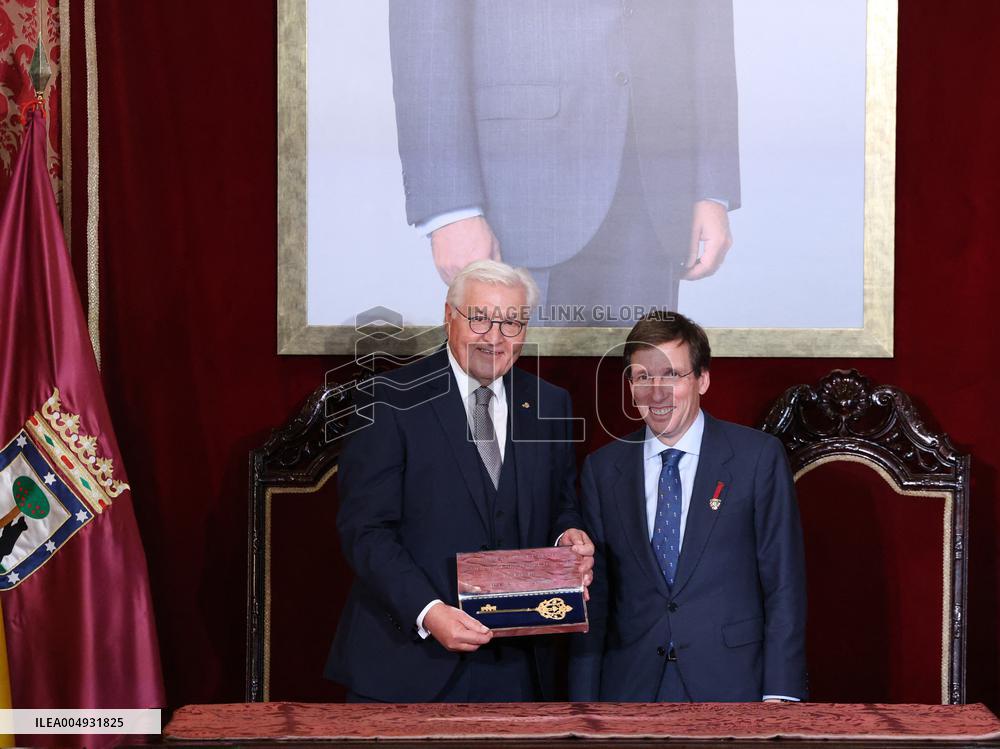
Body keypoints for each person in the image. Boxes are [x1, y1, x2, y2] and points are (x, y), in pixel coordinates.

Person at [325, 259, 594, 702]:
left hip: (520, 668)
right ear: (449, 316)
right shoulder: (389, 400)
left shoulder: (552, 404)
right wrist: (429, 613)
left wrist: (569, 536)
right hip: (410, 663)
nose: (494, 337)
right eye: (480, 318)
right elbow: (365, 530)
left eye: (511, 322)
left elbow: (562, 505)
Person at [387, 1, 740, 322]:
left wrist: (712, 186)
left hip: (653, 179)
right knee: (525, 386)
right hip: (518, 186)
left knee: (638, 387)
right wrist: (449, 206)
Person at [569, 311, 806, 701]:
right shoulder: (602, 469)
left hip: (733, 686)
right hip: (630, 689)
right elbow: (595, 603)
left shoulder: (756, 458)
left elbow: (784, 586)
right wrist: (582, 703)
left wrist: (781, 695)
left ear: (702, 379)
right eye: (643, 377)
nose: (656, 392)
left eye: (672, 376)